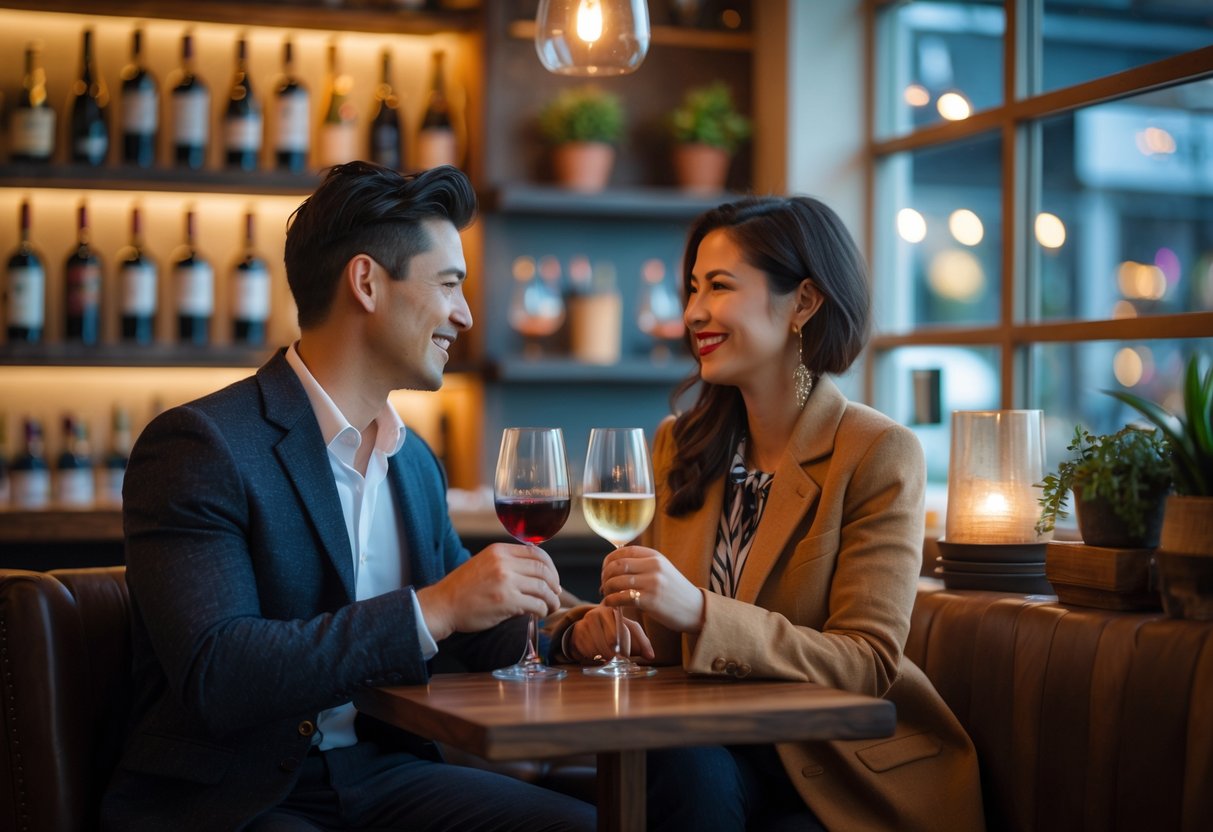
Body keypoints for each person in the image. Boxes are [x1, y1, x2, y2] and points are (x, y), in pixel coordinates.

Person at [102, 162, 596, 832]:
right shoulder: (200, 446)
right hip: (237, 794)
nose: (464, 314)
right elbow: (219, 673)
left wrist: (570, 634)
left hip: (382, 771)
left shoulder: (412, 459)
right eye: (448, 285)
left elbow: (474, 624)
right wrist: (435, 607)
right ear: (366, 282)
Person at [553, 195, 986, 831]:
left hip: (840, 772)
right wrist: (587, 631)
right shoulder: (682, 444)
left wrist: (700, 611)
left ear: (803, 304)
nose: (694, 311)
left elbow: (867, 662)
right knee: (676, 755)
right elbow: (648, 629)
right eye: (693, 287)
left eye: (720, 286)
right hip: (709, 751)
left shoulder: (876, 452)